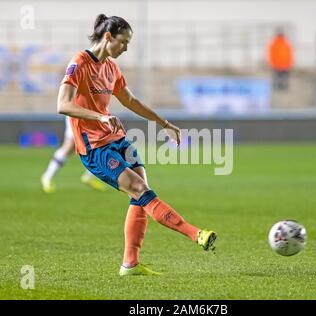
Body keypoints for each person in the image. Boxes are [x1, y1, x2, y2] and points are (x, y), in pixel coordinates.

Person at [57, 14, 217, 276]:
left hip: (117, 140)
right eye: (124, 42)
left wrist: (164, 123)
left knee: (141, 193)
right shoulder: (79, 63)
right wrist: (100, 116)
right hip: (94, 149)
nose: (126, 48)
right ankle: (195, 234)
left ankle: (130, 264)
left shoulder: (111, 68)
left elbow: (131, 101)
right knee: (140, 189)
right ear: (108, 37)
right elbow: (62, 105)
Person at [41, 116, 107, 193]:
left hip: (91, 112)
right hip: (76, 113)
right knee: (69, 147)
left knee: (102, 142)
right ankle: (47, 177)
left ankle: (89, 176)